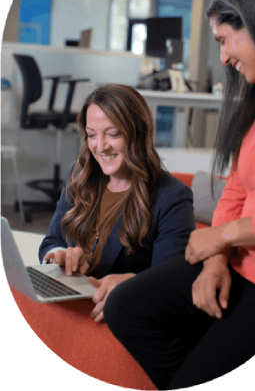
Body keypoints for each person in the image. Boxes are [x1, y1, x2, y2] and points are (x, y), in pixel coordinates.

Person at [103, 0, 255, 389]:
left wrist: (222, 238)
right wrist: (217, 259)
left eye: (223, 40)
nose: (222, 58)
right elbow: (235, 189)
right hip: (238, 263)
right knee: (127, 305)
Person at [38, 84, 195, 322]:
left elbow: (172, 281)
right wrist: (59, 255)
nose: (100, 147)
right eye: (92, 135)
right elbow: (51, 241)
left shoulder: (172, 196)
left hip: (115, 312)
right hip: (66, 300)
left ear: (138, 134)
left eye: (113, 134)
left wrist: (132, 284)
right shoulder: (79, 174)